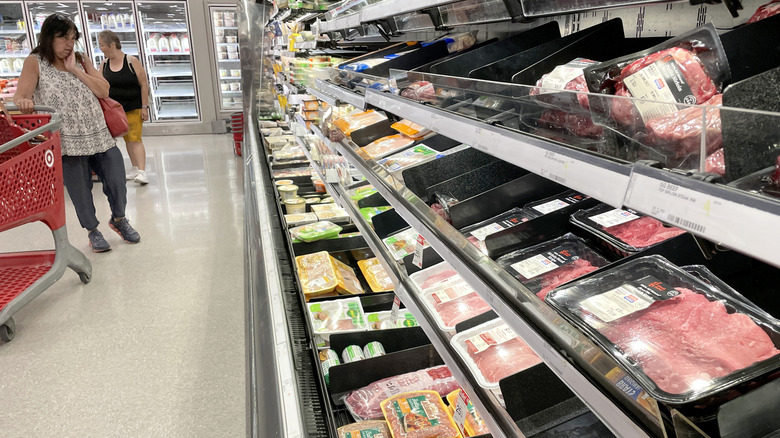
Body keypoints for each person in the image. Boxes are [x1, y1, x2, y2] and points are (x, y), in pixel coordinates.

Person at [14, 14, 140, 252]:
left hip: (98, 133)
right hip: (67, 140)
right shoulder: (35, 61)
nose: (69, 44)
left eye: (73, 38)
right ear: (49, 37)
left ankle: (119, 219)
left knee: (116, 178)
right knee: (80, 189)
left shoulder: (80, 59)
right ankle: (93, 231)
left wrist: (75, 69)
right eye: (63, 38)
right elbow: (21, 95)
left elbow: (103, 90)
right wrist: (23, 102)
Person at [98, 30, 149, 185]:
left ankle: (142, 171)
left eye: (102, 45)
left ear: (112, 45)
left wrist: (145, 106)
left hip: (134, 107)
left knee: (135, 138)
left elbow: (144, 84)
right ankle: (134, 167)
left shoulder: (131, 61)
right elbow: (100, 85)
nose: (100, 48)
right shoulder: (104, 64)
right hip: (116, 110)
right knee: (127, 138)